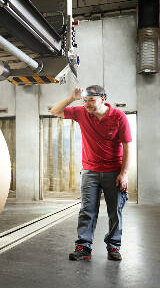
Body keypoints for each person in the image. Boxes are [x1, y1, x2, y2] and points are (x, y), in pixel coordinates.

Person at [50, 85, 132, 261]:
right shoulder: (81, 113)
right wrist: (72, 98)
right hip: (90, 172)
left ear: (103, 98)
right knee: (87, 210)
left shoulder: (118, 117)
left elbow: (127, 147)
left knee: (115, 211)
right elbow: (55, 111)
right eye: (85, 100)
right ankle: (83, 247)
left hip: (113, 171)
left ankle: (113, 246)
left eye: (91, 100)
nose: (87, 104)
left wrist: (124, 173)